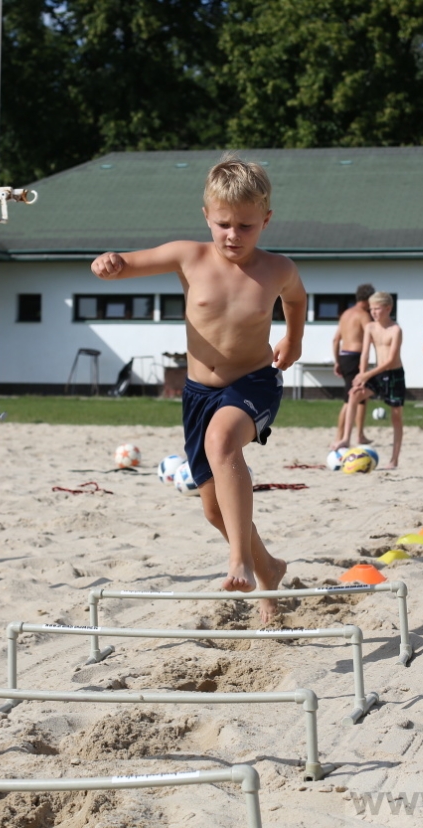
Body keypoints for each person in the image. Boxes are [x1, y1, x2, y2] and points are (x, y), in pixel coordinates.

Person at [90, 154, 306, 624]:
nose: (233, 235)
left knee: (222, 440)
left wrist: (294, 337)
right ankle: (269, 568)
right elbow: (130, 263)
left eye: (246, 226)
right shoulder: (189, 256)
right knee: (214, 510)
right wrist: (111, 263)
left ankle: (240, 564)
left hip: (254, 383)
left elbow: (297, 298)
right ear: (206, 215)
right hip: (199, 394)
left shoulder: (277, 268)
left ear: (266, 221)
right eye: (224, 223)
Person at [334, 292, 405, 468]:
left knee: (396, 418)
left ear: (388, 308)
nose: (373, 312)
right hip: (376, 374)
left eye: (377, 308)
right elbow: (365, 353)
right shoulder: (371, 327)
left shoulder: (396, 330)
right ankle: (345, 439)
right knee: (354, 395)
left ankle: (394, 459)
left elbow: (390, 360)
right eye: (371, 309)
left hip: (394, 375)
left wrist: (367, 375)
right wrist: (362, 376)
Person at [330, 283, 374, 448]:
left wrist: (337, 361)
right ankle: (339, 437)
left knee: (361, 396)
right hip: (356, 357)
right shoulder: (363, 315)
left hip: (345, 356)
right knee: (350, 399)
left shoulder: (346, 314)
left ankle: (360, 435)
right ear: (368, 300)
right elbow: (370, 339)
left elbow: (336, 340)